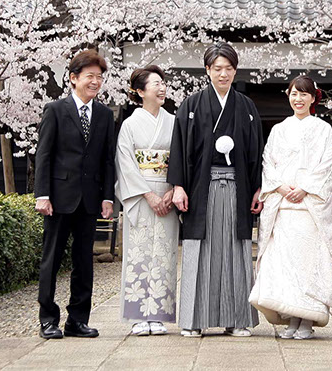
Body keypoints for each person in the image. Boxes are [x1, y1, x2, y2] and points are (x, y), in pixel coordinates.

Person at [168, 42, 264, 337]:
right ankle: (194, 320)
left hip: (237, 187)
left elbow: (255, 150)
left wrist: (258, 188)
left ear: (235, 71)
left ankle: (237, 319)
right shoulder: (192, 105)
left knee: (236, 251)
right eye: (218, 68)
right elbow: (179, 147)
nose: (223, 74)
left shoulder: (246, 107)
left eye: (229, 68)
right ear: (207, 70)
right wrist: (179, 186)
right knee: (200, 250)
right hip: (201, 187)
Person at [249, 75, 332, 340]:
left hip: (309, 207)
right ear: (288, 96)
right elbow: (268, 163)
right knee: (285, 264)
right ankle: (291, 318)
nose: (298, 99)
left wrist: (304, 188)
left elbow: (326, 165)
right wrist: (280, 187)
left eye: (304, 94)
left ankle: (307, 320)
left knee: (307, 264)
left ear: (313, 98)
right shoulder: (279, 129)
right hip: (283, 207)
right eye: (294, 93)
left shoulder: (323, 129)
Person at [34, 49, 116, 340]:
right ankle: (48, 319)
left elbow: (107, 160)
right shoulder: (56, 110)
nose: (95, 82)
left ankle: (78, 320)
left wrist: (108, 197)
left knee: (84, 262)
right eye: (89, 76)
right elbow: (44, 155)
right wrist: (42, 194)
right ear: (73, 78)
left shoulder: (105, 115)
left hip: (90, 199)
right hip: (58, 198)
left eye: (99, 77)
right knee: (52, 260)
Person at [115, 65, 178, 336]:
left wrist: (173, 189)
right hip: (141, 194)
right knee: (138, 252)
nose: (162, 88)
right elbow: (125, 163)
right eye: (155, 84)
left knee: (164, 253)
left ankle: (159, 315)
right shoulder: (129, 125)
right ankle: (138, 315)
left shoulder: (174, 122)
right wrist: (149, 195)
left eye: (163, 83)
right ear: (140, 91)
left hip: (167, 192)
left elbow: (181, 159)